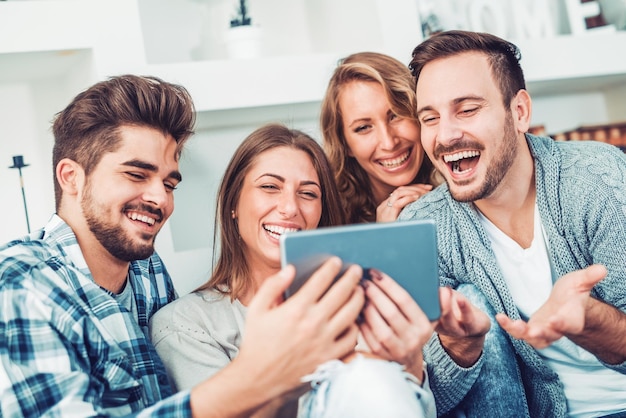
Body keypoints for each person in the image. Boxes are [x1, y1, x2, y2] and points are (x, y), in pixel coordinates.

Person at [0, 76, 367, 417]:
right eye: (136, 174)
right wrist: (253, 379)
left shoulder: (146, 269)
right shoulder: (23, 285)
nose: (160, 198)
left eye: (169, 183)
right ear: (72, 177)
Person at [400, 30, 626, 417]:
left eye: (467, 109)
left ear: (519, 112)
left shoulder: (597, 179)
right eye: (430, 118)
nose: (446, 134)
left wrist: (589, 320)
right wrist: (460, 348)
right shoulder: (425, 227)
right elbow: (425, 400)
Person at [149, 123, 440, 417]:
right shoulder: (185, 325)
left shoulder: (360, 307)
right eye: (270, 187)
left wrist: (410, 364)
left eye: (309, 193)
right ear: (234, 202)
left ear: (321, 211)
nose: (289, 208)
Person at [320, 51, 438, 223]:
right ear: (345, 145)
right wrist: (383, 238)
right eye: (364, 128)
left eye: (396, 115)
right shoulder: (328, 218)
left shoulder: (464, 190)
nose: (389, 143)